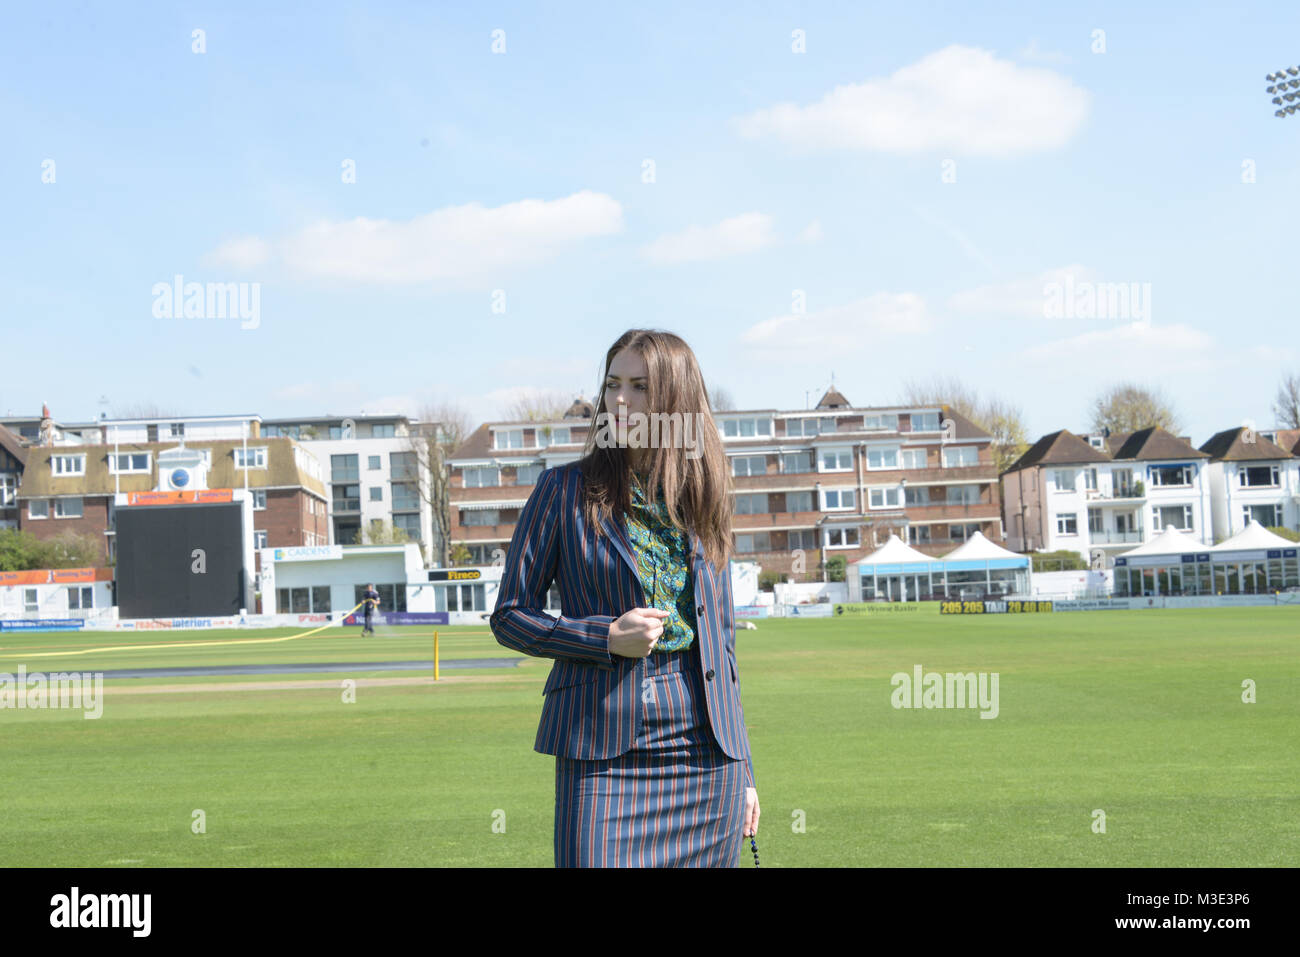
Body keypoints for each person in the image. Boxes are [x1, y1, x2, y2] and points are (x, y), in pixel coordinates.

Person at [490, 329, 759, 867]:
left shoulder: (705, 496)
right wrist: (604, 637)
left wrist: (746, 771)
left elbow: (723, 648)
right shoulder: (562, 490)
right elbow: (510, 616)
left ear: (675, 400)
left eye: (639, 386)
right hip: (604, 751)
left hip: (708, 756)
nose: (619, 400)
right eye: (613, 384)